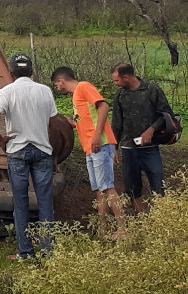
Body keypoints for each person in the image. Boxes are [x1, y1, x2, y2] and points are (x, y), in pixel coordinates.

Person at [0, 53, 58, 259]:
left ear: (10, 72)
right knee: (45, 203)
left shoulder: (7, 91)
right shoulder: (45, 91)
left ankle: (25, 252)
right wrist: (52, 149)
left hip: (17, 151)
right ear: (31, 71)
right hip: (42, 151)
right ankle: (47, 252)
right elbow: (53, 124)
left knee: (21, 204)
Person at [51, 66, 126, 239]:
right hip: (90, 148)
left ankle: (122, 229)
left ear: (61, 81)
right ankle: (102, 228)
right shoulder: (76, 96)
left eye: (56, 85)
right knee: (99, 189)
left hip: (100, 144)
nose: (57, 88)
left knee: (107, 187)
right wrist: (73, 123)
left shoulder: (83, 86)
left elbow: (103, 106)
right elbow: (87, 117)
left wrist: (97, 135)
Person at [111, 63, 174, 213]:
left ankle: (160, 216)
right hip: (128, 148)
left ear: (126, 77)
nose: (115, 83)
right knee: (132, 187)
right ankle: (140, 217)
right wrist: (114, 148)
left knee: (158, 183)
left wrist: (151, 130)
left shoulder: (152, 89)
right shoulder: (120, 95)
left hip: (150, 148)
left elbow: (166, 114)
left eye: (117, 80)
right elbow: (116, 124)